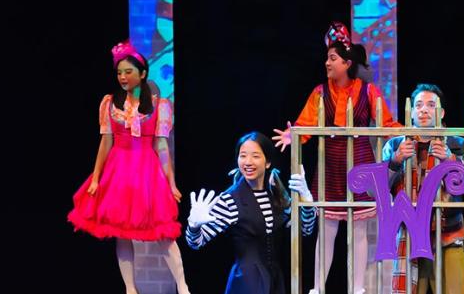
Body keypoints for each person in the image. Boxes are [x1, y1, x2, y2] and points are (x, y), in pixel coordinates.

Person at [272, 21, 403, 294]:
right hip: (330, 164)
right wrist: (293, 136)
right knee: (327, 230)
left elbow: (387, 124)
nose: (327, 63)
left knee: (359, 231)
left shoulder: (368, 91)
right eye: (327, 58)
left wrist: (406, 134)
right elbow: (305, 124)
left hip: (361, 163)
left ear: (347, 63)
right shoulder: (320, 92)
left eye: (332, 58)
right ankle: (318, 287)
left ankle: (357, 289)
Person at [68, 40, 191, 294]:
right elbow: (105, 142)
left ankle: (182, 286)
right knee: (121, 231)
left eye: (128, 72)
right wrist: (96, 178)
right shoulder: (110, 103)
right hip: (119, 170)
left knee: (163, 230)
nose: (123, 77)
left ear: (142, 73)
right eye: (119, 72)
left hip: (147, 170)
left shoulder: (159, 105)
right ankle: (130, 288)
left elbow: (162, 146)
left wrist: (171, 183)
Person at [382, 84, 464, 294]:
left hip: (448, 237)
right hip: (409, 237)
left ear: (441, 113)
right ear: (411, 112)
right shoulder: (396, 146)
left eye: (431, 105)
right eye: (418, 105)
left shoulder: (457, 144)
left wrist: (452, 161)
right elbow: (372, 192)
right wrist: (395, 162)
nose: (424, 110)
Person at [185, 132, 317, 294]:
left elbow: (305, 230)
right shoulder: (230, 199)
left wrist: (307, 201)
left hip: (275, 282)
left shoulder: (277, 194)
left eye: (255, 156)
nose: (248, 162)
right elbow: (196, 242)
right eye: (243, 156)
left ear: (267, 162)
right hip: (246, 283)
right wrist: (194, 226)